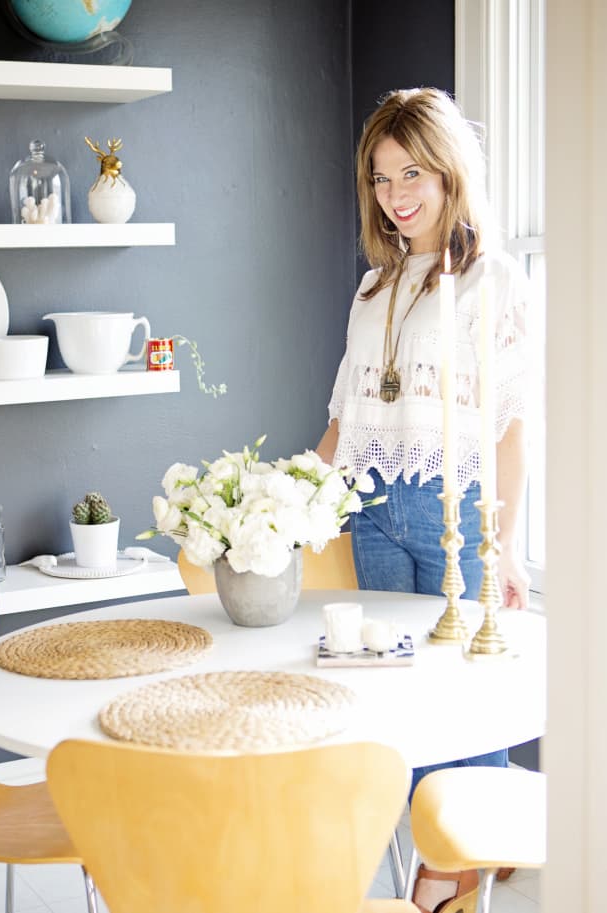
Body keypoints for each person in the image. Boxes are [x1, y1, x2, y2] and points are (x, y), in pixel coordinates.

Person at [317, 88, 531, 913]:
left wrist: (507, 543)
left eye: (413, 172)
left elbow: (512, 423)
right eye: (380, 178)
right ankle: (444, 851)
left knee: (466, 696)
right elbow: (344, 418)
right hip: (374, 513)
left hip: (458, 510)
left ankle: (451, 874)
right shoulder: (375, 287)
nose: (396, 193)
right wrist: (285, 498)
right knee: (401, 693)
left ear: (449, 174)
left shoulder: (493, 281)